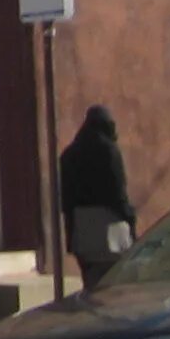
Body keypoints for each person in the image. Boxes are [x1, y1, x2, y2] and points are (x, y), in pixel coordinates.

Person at [59, 105, 136, 290]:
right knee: (114, 288)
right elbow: (118, 195)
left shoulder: (69, 155)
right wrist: (131, 219)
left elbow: (65, 201)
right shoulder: (109, 152)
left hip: (82, 233)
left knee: (92, 288)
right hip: (110, 231)